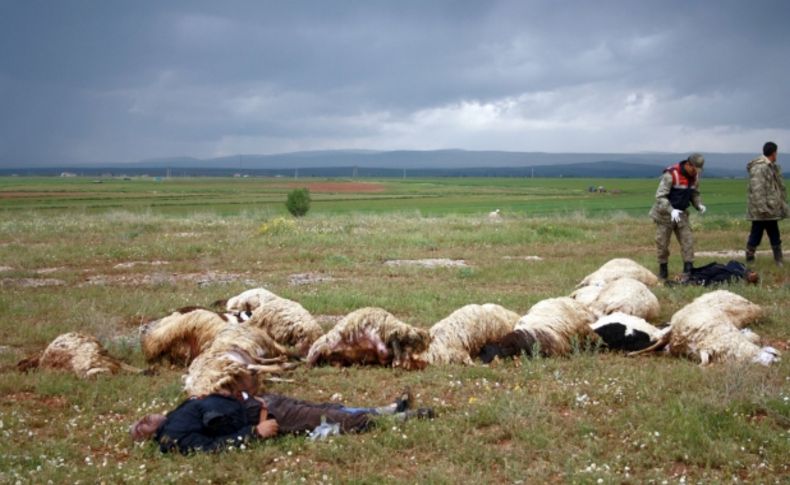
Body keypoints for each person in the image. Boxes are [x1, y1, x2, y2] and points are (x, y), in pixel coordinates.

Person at [130, 370, 431, 454]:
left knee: (321, 407)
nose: (144, 421)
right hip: (261, 416)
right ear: (150, 438)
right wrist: (254, 432)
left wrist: (222, 394)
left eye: (141, 418)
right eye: (141, 428)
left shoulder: (177, 412)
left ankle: (384, 409)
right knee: (323, 419)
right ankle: (401, 418)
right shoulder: (173, 436)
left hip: (258, 401)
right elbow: (210, 447)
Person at [649, 153, 706, 279]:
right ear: (688, 164)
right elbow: (660, 196)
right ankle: (663, 270)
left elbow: (695, 193)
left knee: (688, 241)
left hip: (681, 214)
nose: (695, 172)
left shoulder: (695, 177)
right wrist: (671, 210)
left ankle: (688, 270)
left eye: (697, 170)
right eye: (694, 169)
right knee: (662, 244)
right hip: (664, 214)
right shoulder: (671, 175)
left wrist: (699, 205)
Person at [745, 142, 788, 266]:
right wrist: (762, 208)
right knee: (756, 233)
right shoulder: (760, 167)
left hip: (770, 208)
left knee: (774, 232)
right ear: (774, 152)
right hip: (762, 209)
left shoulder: (770, 166)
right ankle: (750, 258)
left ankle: (778, 259)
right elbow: (758, 189)